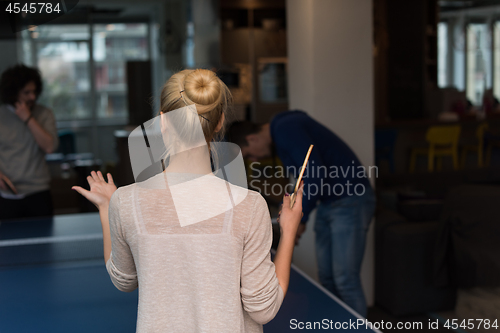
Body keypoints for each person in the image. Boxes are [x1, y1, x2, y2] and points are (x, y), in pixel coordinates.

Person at [72, 69, 304, 332]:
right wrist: (288, 231)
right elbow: (264, 309)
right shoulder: (250, 206)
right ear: (220, 122)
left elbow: (123, 280)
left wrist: (107, 206)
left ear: (162, 121)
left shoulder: (124, 202)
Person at [227, 110, 376, 317]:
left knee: (345, 281)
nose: (254, 159)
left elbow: (315, 174)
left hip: (350, 200)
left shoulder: (285, 128)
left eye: (249, 154)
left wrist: (299, 220)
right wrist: (289, 210)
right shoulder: (283, 131)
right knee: (328, 279)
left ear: (252, 138)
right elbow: (302, 181)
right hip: (329, 201)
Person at [0, 64, 59, 220]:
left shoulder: (44, 113)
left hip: (38, 192)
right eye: (26, 92)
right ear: (13, 92)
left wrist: (28, 119)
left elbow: (49, 147)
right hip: (7, 196)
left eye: (34, 92)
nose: (32, 97)